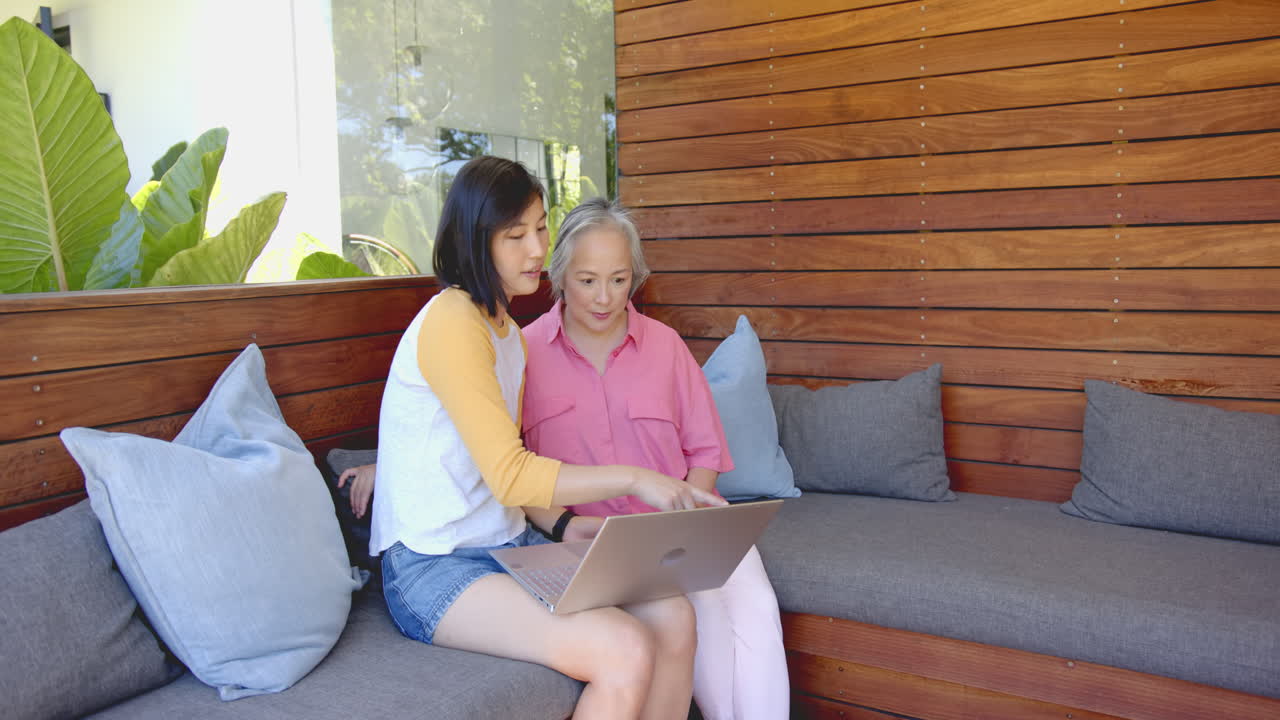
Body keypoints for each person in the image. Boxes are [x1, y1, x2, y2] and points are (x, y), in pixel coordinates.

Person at [365, 155, 723, 720]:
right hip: (435, 566)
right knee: (623, 649)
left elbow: (469, 456)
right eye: (515, 236)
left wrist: (562, 523)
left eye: (539, 228)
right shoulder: (453, 319)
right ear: (476, 242)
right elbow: (510, 470)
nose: (537, 249)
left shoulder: (504, 330)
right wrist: (638, 479)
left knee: (672, 614)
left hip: (508, 546)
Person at [519, 198, 790, 720]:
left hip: (683, 521)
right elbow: (512, 468)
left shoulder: (664, 346)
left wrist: (685, 513)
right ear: (559, 276)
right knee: (701, 606)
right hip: (595, 544)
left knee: (755, 603)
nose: (604, 298)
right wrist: (565, 528)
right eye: (587, 280)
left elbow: (705, 450)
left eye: (619, 280)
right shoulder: (524, 354)